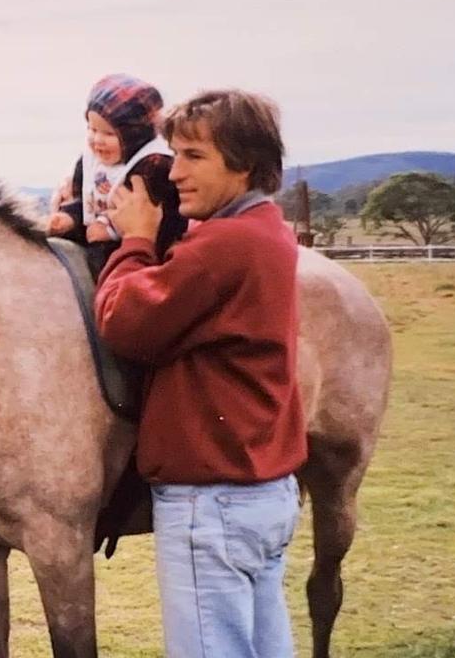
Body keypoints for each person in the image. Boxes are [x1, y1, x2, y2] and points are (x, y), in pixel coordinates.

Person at [94, 90, 307, 657]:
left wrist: (136, 240)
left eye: (192, 156)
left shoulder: (225, 244)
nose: (175, 173)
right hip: (262, 495)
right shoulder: (269, 231)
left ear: (242, 162)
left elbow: (126, 321)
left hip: (210, 503)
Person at [47, 74, 188, 273]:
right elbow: (86, 201)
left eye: (108, 133)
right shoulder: (90, 161)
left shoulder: (153, 166)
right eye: (92, 129)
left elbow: (153, 217)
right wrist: (69, 217)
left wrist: (109, 229)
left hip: (139, 250)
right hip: (94, 237)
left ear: (134, 134)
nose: (97, 140)